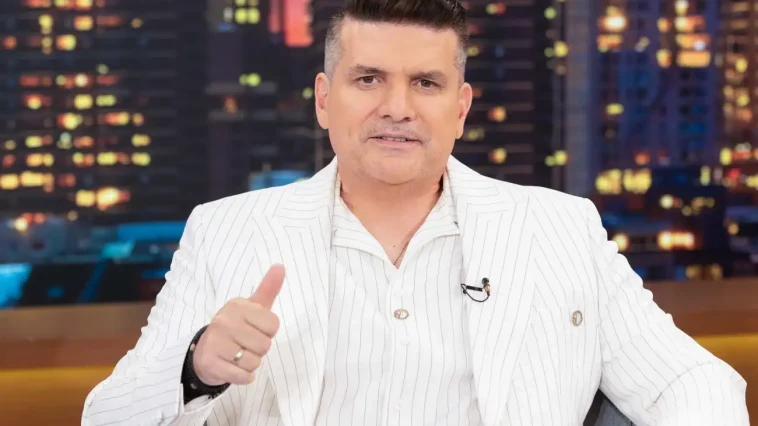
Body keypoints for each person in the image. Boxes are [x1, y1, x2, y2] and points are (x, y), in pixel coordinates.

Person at [82, 0, 749, 424]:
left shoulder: (558, 228)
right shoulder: (225, 231)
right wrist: (195, 367)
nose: (396, 108)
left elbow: (692, 383)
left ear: (460, 107)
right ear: (324, 99)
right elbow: (106, 415)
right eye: (368, 79)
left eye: (425, 83)